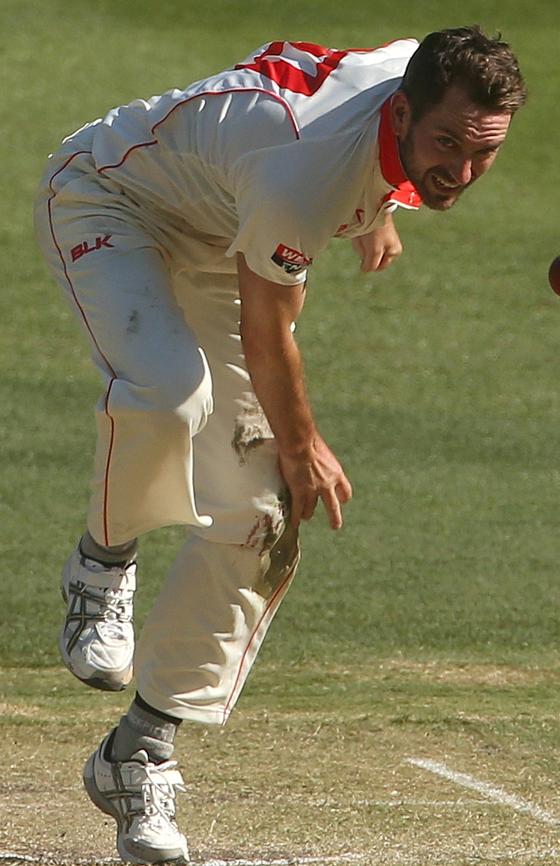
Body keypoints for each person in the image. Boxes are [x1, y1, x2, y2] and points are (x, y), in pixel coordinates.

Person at [33, 26, 526, 864]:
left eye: (484, 153)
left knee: (263, 512)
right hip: (111, 203)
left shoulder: (404, 85)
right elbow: (269, 331)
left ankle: (138, 753)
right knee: (170, 394)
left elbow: (328, 66)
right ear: (403, 112)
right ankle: (101, 565)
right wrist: (302, 444)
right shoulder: (305, 170)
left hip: (225, 230)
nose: (463, 172)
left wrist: (386, 200)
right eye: (446, 146)